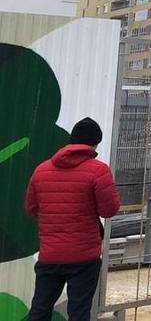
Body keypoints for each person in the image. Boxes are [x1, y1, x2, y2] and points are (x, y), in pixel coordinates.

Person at [23, 117, 120, 321]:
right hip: (84, 256)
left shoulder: (41, 170)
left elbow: (31, 209)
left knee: (40, 309)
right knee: (79, 312)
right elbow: (109, 210)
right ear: (95, 143)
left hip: (50, 255)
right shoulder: (99, 170)